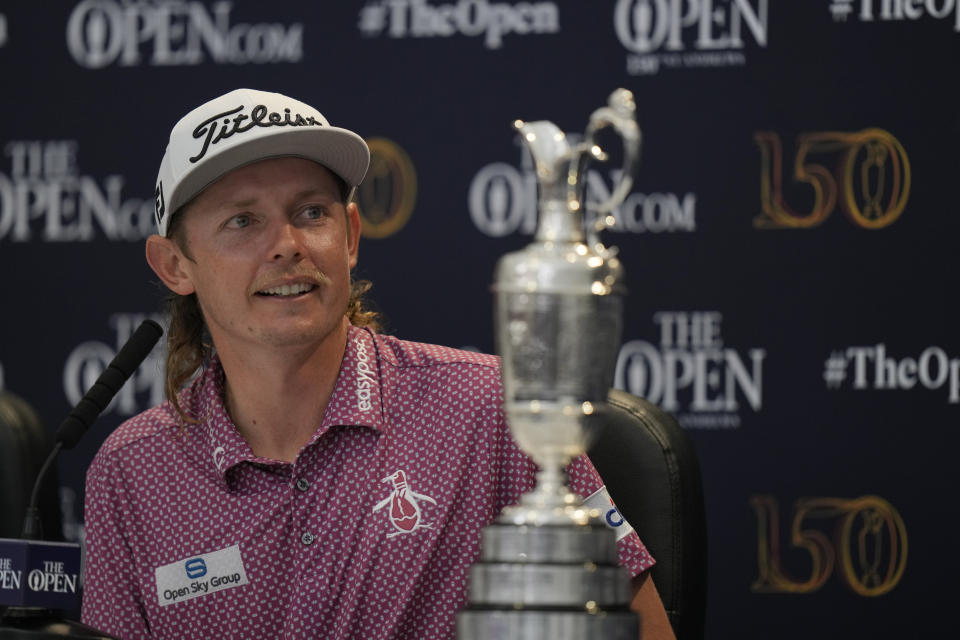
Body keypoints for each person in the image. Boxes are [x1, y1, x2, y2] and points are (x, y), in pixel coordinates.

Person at [80, 88, 675, 639]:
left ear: (351, 236)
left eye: (312, 212)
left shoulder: (490, 410)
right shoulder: (132, 473)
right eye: (243, 220)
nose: (288, 243)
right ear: (174, 266)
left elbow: (637, 628)